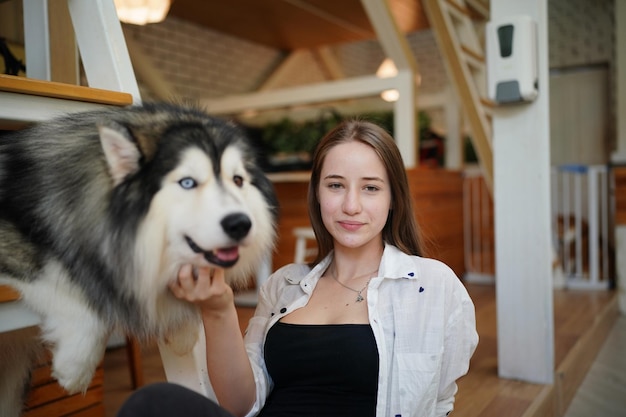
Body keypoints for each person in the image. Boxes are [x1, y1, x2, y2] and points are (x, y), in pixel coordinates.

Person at [117, 119, 478, 417]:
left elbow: (440, 405)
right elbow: (240, 404)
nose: (351, 205)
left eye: (370, 188)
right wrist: (218, 308)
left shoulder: (432, 286)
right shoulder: (284, 283)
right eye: (336, 185)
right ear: (318, 194)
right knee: (152, 404)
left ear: (393, 199)